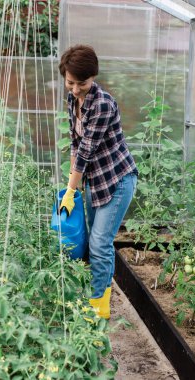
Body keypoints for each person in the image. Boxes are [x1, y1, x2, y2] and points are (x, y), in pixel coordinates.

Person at [58, 45, 138, 319]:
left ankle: (99, 308)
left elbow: (87, 150)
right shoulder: (72, 100)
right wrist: (75, 184)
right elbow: (74, 143)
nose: (76, 89)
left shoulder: (102, 103)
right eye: (71, 82)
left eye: (83, 83)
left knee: (100, 242)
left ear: (93, 78)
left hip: (117, 180)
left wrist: (70, 189)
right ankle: (96, 295)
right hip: (94, 181)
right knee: (92, 240)